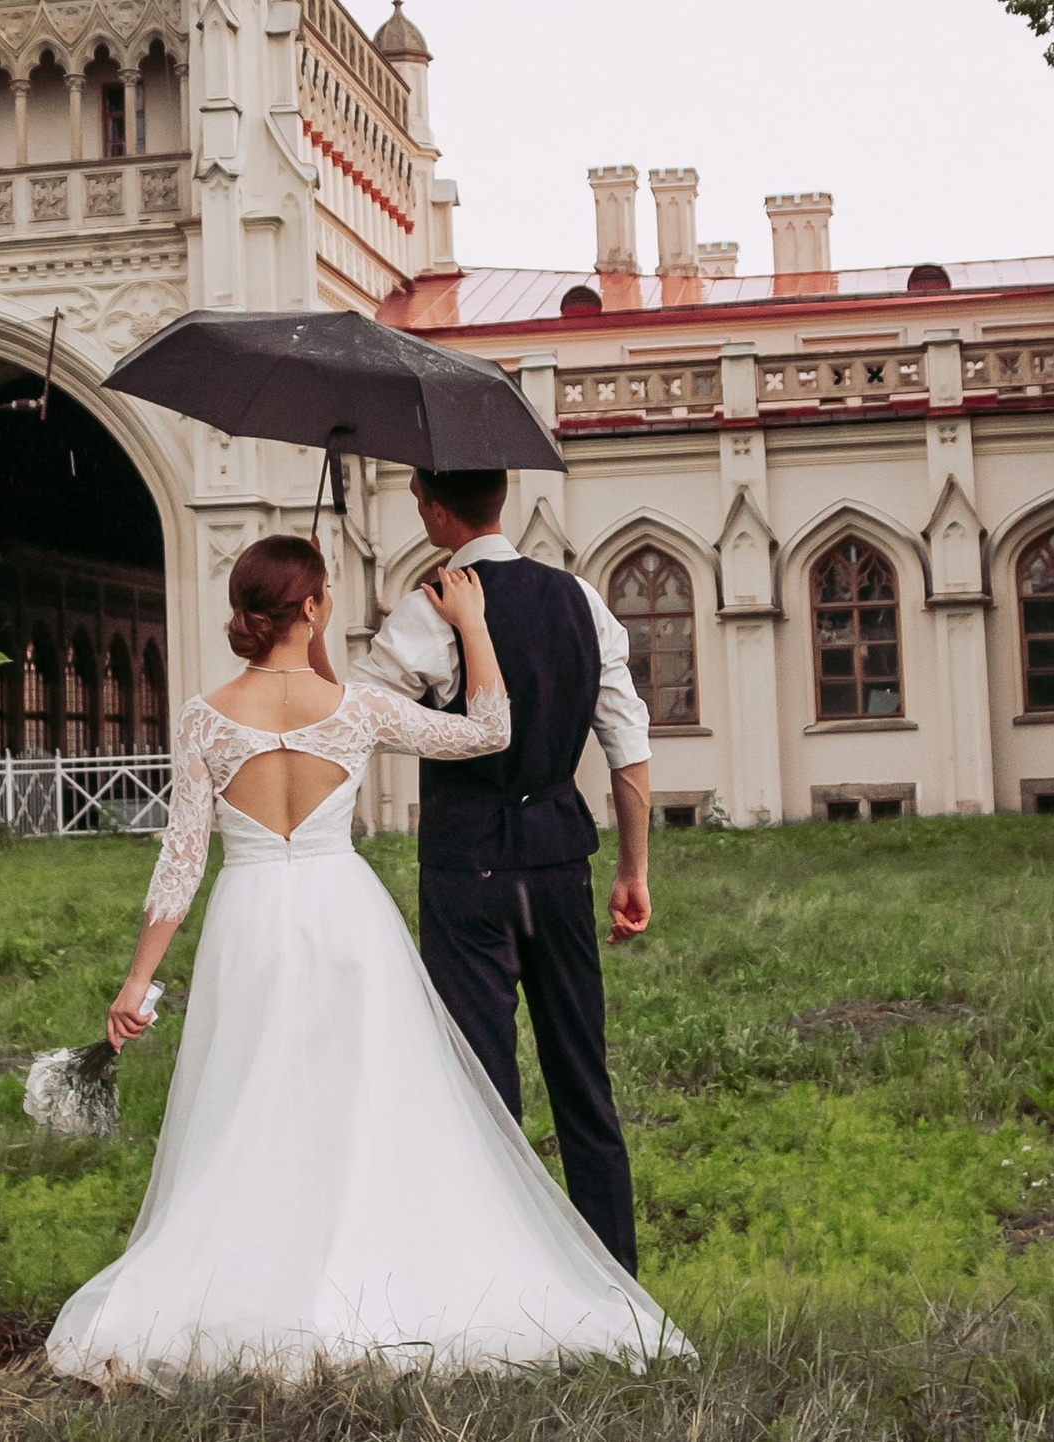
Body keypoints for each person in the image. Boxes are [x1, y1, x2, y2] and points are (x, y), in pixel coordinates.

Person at [46, 535, 689, 1385]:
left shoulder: (204, 715)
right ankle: (365, 1272)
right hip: (344, 920)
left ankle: (257, 1278)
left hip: (247, 924)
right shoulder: (355, 709)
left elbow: (182, 859)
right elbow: (490, 730)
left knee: (251, 1107)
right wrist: (474, 624)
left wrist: (138, 982)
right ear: (312, 609)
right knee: (360, 1108)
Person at [348, 468, 655, 1275]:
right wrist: (634, 869)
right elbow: (629, 746)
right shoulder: (582, 601)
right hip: (558, 862)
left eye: (421, 503)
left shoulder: (428, 607)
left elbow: (358, 715)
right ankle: (616, 1279)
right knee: (581, 1075)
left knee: (482, 1085)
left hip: (468, 865)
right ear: (503, 499)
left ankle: (502, 1281)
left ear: (438, 510)